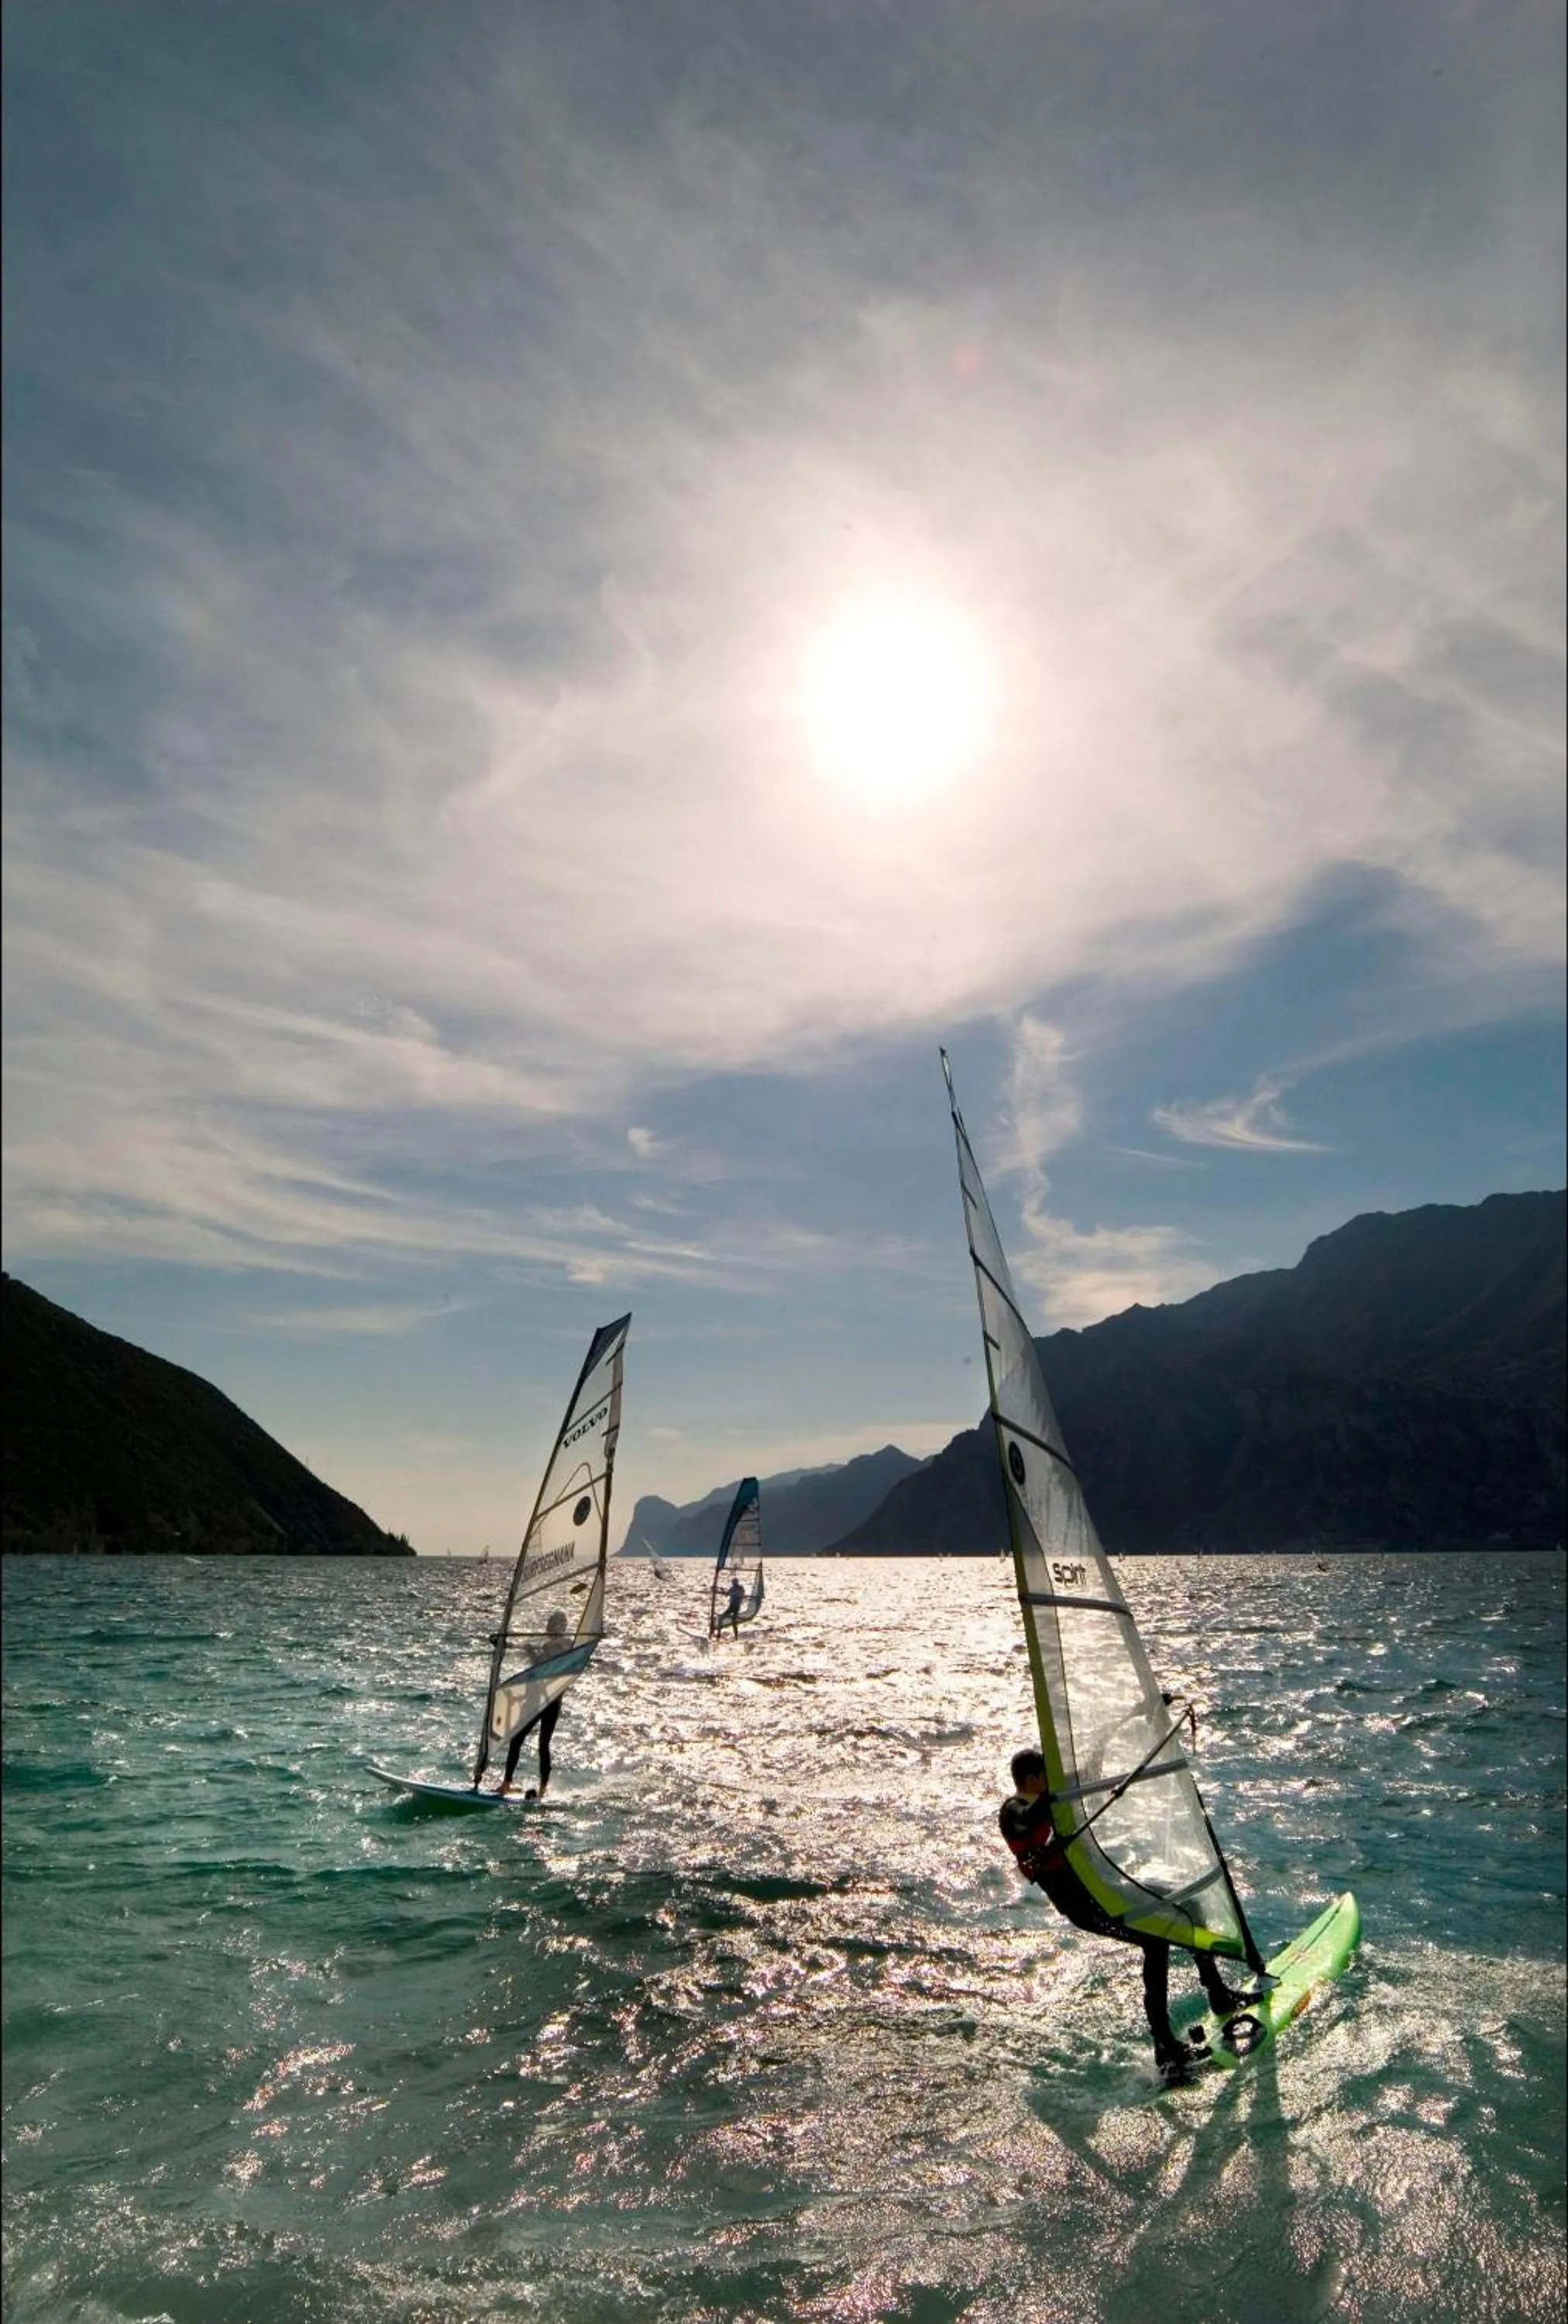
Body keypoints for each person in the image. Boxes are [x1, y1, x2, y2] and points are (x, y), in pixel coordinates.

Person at [999, 1745, 1257, 2081]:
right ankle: (1164, 2047)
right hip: (1084, 1908)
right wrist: (1056, 1801)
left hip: (1105, 1892)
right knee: (1155, 1941)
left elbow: (1088, 1776)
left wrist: (1141, 1712)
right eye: (1047, 1776)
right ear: (1032, 1778)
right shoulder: (1013, 1811)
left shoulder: (1051, 1800)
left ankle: (1217, 1992)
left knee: (1187, 1904)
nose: (1051, 1782)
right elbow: (1026, 1823)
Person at [497, 1611, 573, 1798]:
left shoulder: (564, 1644)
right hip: (542, 1700)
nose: (550, 1628)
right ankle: (513, 1784)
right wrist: (508, 1644)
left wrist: (532, 1650)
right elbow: (533, 1653)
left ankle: (538, 1788)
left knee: (537, 1743)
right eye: (551, 1624)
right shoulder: (550, 1645)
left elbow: (545, 1659)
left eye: (554, 1624)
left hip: (548, 1701)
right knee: (526, 1741)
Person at [715, 1573, 745, 1642]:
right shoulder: (733, 1588)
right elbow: (726, 1594)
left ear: (737, 1582)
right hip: (731, 1606)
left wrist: (735, 1593)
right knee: (721, 1618)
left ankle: (736, 1637)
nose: (734, 1584)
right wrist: (721, 1591)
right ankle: (718, 1635)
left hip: (736, 1607)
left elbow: (742, 1594)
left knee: (734, 1622)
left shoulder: (740, 1588)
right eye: (733, 1583)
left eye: (734, 1582)